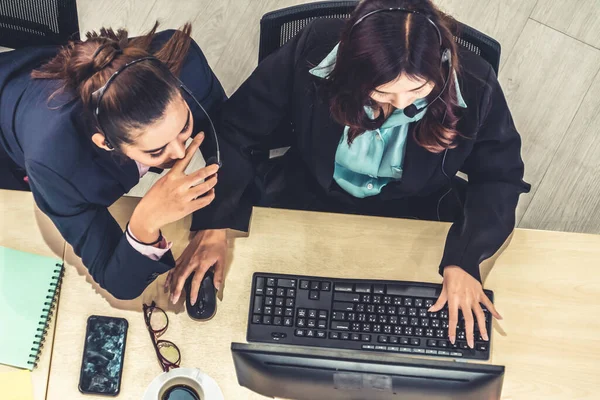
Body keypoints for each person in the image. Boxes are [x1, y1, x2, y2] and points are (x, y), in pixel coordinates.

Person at [185, 0, 531, 348]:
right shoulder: (315, 49)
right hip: (308, 189)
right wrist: (214, 222)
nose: (400, 104)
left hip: (417, 208)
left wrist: (465, 259)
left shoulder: (475, 82)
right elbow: (236, 130)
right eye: (382, 91)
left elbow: (499, 176)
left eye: (417, 90)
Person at [0, 22, 228, 301]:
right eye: (156, 151)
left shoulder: (186, 62)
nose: (181, 154)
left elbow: (232, 132)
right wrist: (145, 221)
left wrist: (216, 224)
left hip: (45, 69)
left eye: (184, 128)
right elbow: (116, 281)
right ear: (106, 143)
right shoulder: (54, 164)